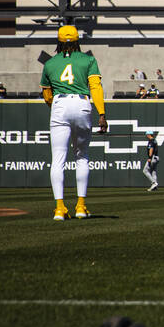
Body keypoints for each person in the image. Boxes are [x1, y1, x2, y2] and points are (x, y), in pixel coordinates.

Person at [40, 25, 107, 221]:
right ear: (78, 40)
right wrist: (101, 114)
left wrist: (57, 106)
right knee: (82, 156)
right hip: (81, 103)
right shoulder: (88, 59)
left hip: (60, 103)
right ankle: (80, 206)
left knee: (58, 158)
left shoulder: (50, 63)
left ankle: (60, 208)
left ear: (58, 41)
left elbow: (46, 94)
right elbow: (95, 86)